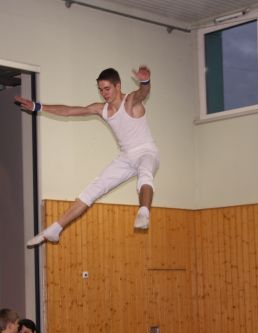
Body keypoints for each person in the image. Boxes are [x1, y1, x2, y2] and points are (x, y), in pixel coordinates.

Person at [15, 66, 159, 248]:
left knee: (145, 174)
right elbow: (69, 111)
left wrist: (145, 81)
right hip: (126, 157)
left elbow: (143, 93)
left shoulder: (130, 101)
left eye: (107, 89)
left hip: (146, 151)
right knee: (93, 189)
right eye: (100, 89)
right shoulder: (101, 109)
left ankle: (144, 212)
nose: (104, 93)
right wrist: (38, 107)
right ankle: (55, 229)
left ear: (118, 86)